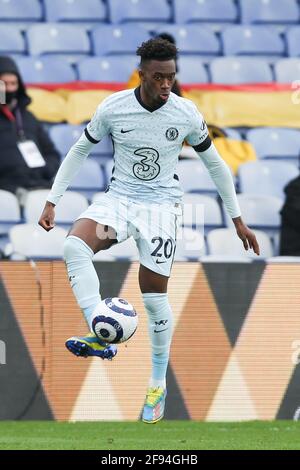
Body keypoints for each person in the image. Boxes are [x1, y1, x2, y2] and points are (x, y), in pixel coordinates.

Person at [38, 38, 260, 424]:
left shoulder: (185, 113)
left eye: (171, 77)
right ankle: (99, 328)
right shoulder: (114, 107)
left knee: (154, 297)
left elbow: (216, 165)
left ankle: (157, 385)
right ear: (142, 74)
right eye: (158, 77)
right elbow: (79, 150)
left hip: (161, 210)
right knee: (74, 245)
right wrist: (53, 200)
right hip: (119, 201)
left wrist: (237, 218)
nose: (166, 85)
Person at [0, 56, 60, 196]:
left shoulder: (29, 117)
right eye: (4, 84)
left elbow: (52, 154)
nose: (9, 89)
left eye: (13, 84)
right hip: (6, 191)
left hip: (39, 185)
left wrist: (44, 170)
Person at [127, 33, 182, 97]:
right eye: (157, 78)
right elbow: (132, 96)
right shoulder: (137, 76)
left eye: (170, 77)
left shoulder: (174, 84)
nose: (165, 85)